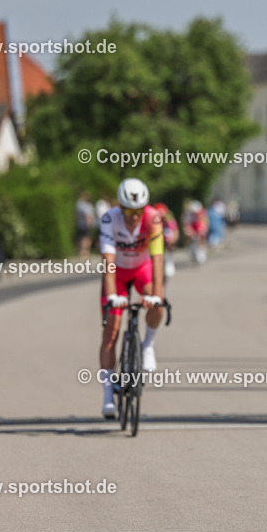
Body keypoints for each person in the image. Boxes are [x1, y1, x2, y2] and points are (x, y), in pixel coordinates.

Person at [97, 178, 167, 419]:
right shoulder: (109, 218)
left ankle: (147, 344)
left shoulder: (154, 218)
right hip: (116, 272)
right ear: (120, 206)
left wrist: (156, 296)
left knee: (159, 302)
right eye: (129, 210)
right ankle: (108, 396)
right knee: (111, 333)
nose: (134, 216)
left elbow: (158, 260)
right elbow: (107, 262)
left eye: (138, 211)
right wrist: (113, 296)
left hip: (141, 268)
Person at [153, 202, 180, 279]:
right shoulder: (152, 217)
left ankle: (170, 260)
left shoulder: (169, 216)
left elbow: (174, 229)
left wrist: (173, 240)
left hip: (165, 232)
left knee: (170, 237)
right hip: (156, 233)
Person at [183, 200, 209, 264]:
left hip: (199, 225)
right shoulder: (188, 215)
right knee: (189, 235)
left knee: (202, 235)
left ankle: (201, 250)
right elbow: (186, 225)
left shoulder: (203, 213)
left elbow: (205, 224)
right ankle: (191, 248)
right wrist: (190, 232)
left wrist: (201, 231)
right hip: (192, 226)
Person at [75, 191, 95, 257]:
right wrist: (89, 223)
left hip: (79, 223)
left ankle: (81, 250)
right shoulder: (86, 205)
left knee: (81, 237)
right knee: (86, 237)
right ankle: (85, 251)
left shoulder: (79, 204)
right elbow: (87, 215)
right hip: (86, 223)